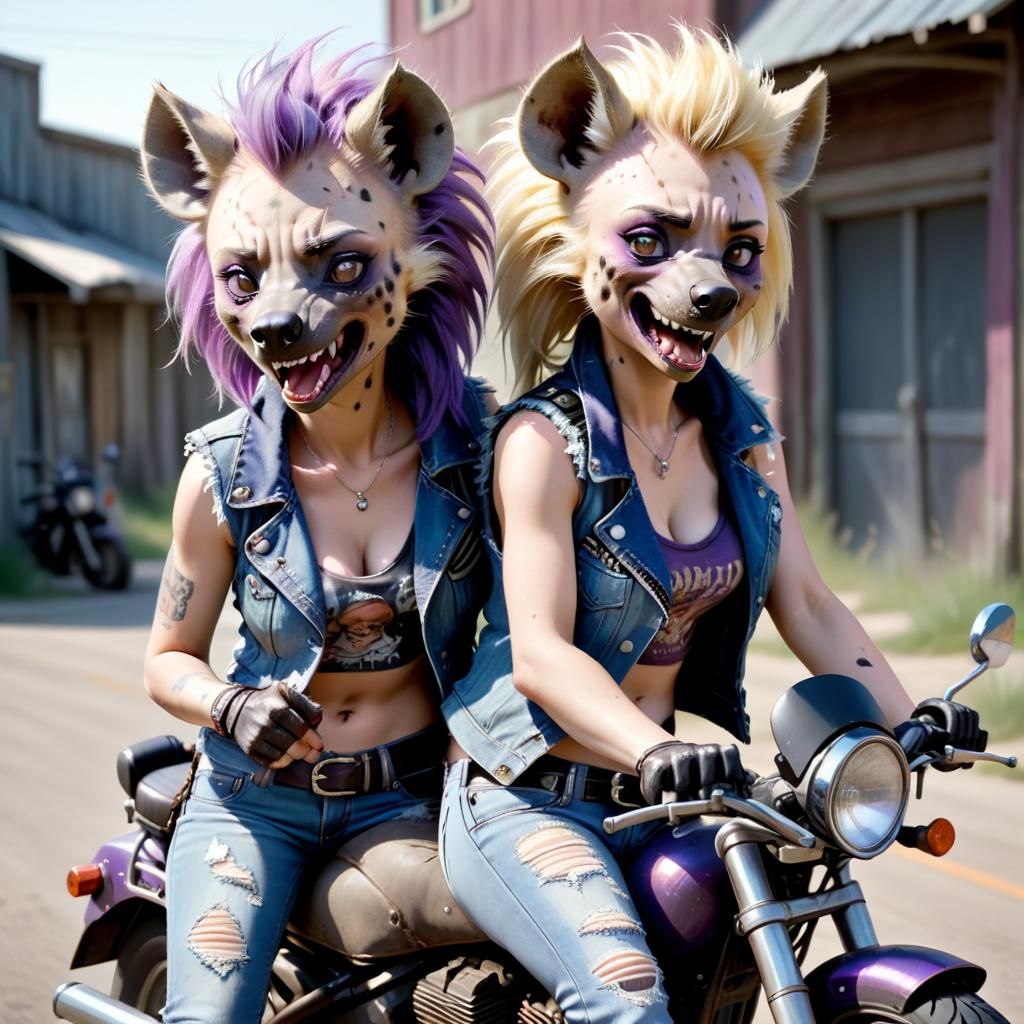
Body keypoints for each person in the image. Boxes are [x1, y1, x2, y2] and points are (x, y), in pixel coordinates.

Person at [438, 29, 986, 1023]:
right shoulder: (542, 442)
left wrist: (910, 720)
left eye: (737, 251)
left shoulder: (744, 437)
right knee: (626, 998)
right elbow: (541, 656)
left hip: (665, 792)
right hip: (528, 792)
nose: (709, 284)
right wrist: (650, 749)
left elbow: (807, 601)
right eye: (651, 242)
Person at [139, 40, 492, 1023]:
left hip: (414, 798)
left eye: (340, 265)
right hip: (252, 802)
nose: (279, 317)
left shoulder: (483, 451)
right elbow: (166, 657)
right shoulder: (220, 474)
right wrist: (228, 704)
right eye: (243, 279)